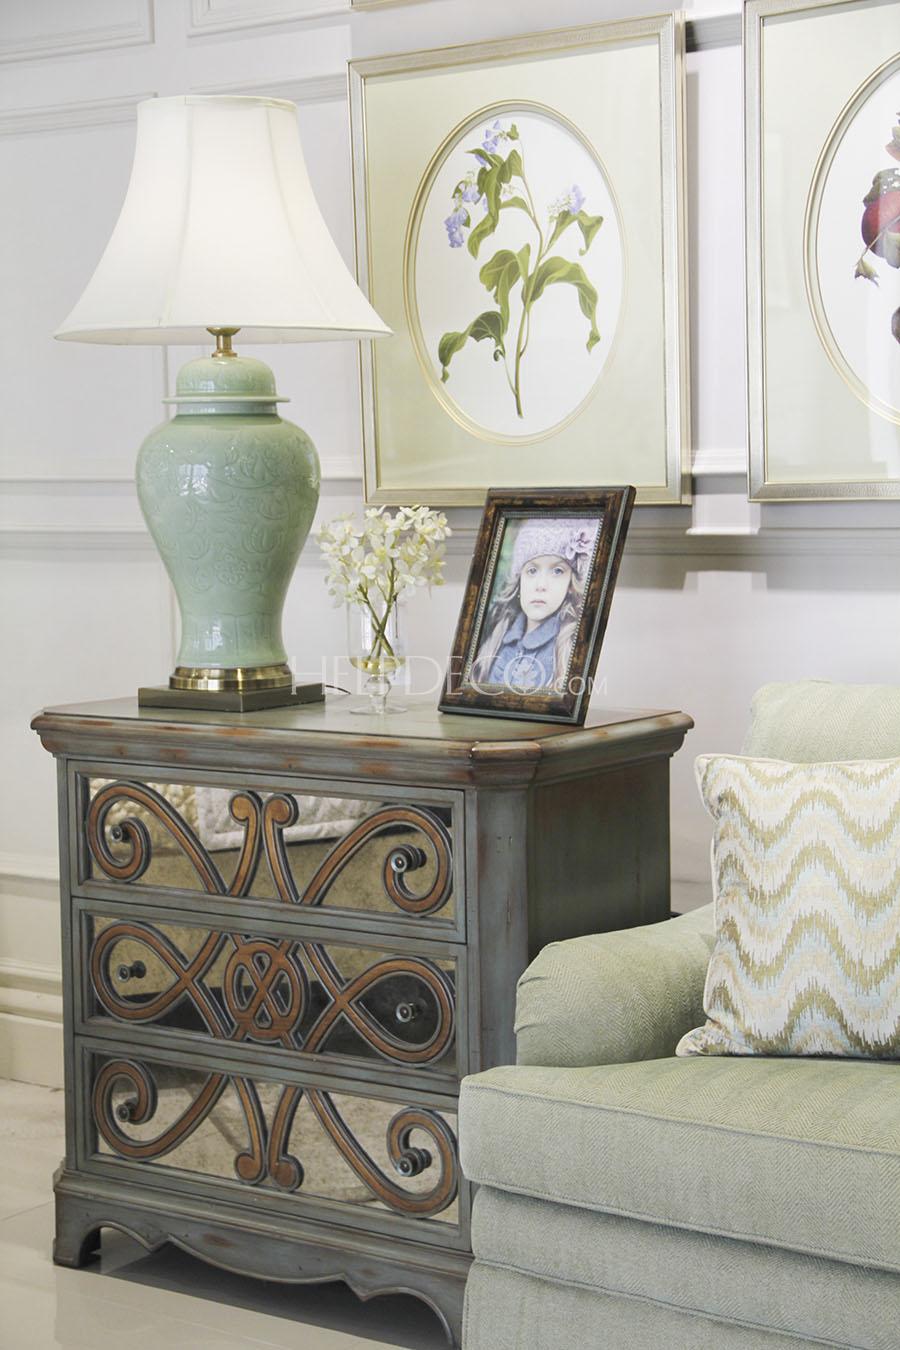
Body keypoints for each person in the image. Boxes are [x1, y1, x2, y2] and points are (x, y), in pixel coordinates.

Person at [471, 518, 599, 694]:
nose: (541, 585)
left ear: (570, 584)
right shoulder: (497, 635)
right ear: (519, 580)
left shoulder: (568, 647)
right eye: (532, 571)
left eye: (557, 571)